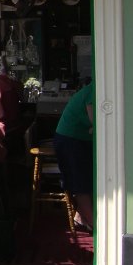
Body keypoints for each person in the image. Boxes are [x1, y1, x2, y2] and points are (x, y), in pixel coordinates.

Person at [54, 82, 95, 231]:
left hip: (79, 138)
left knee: (86, 179)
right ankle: (94, 225)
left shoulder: (93, 89)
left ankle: (82, 217)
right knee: (81, 183)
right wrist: (93, 128)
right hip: (71, 139)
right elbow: (96, 122)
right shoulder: (94, 90)